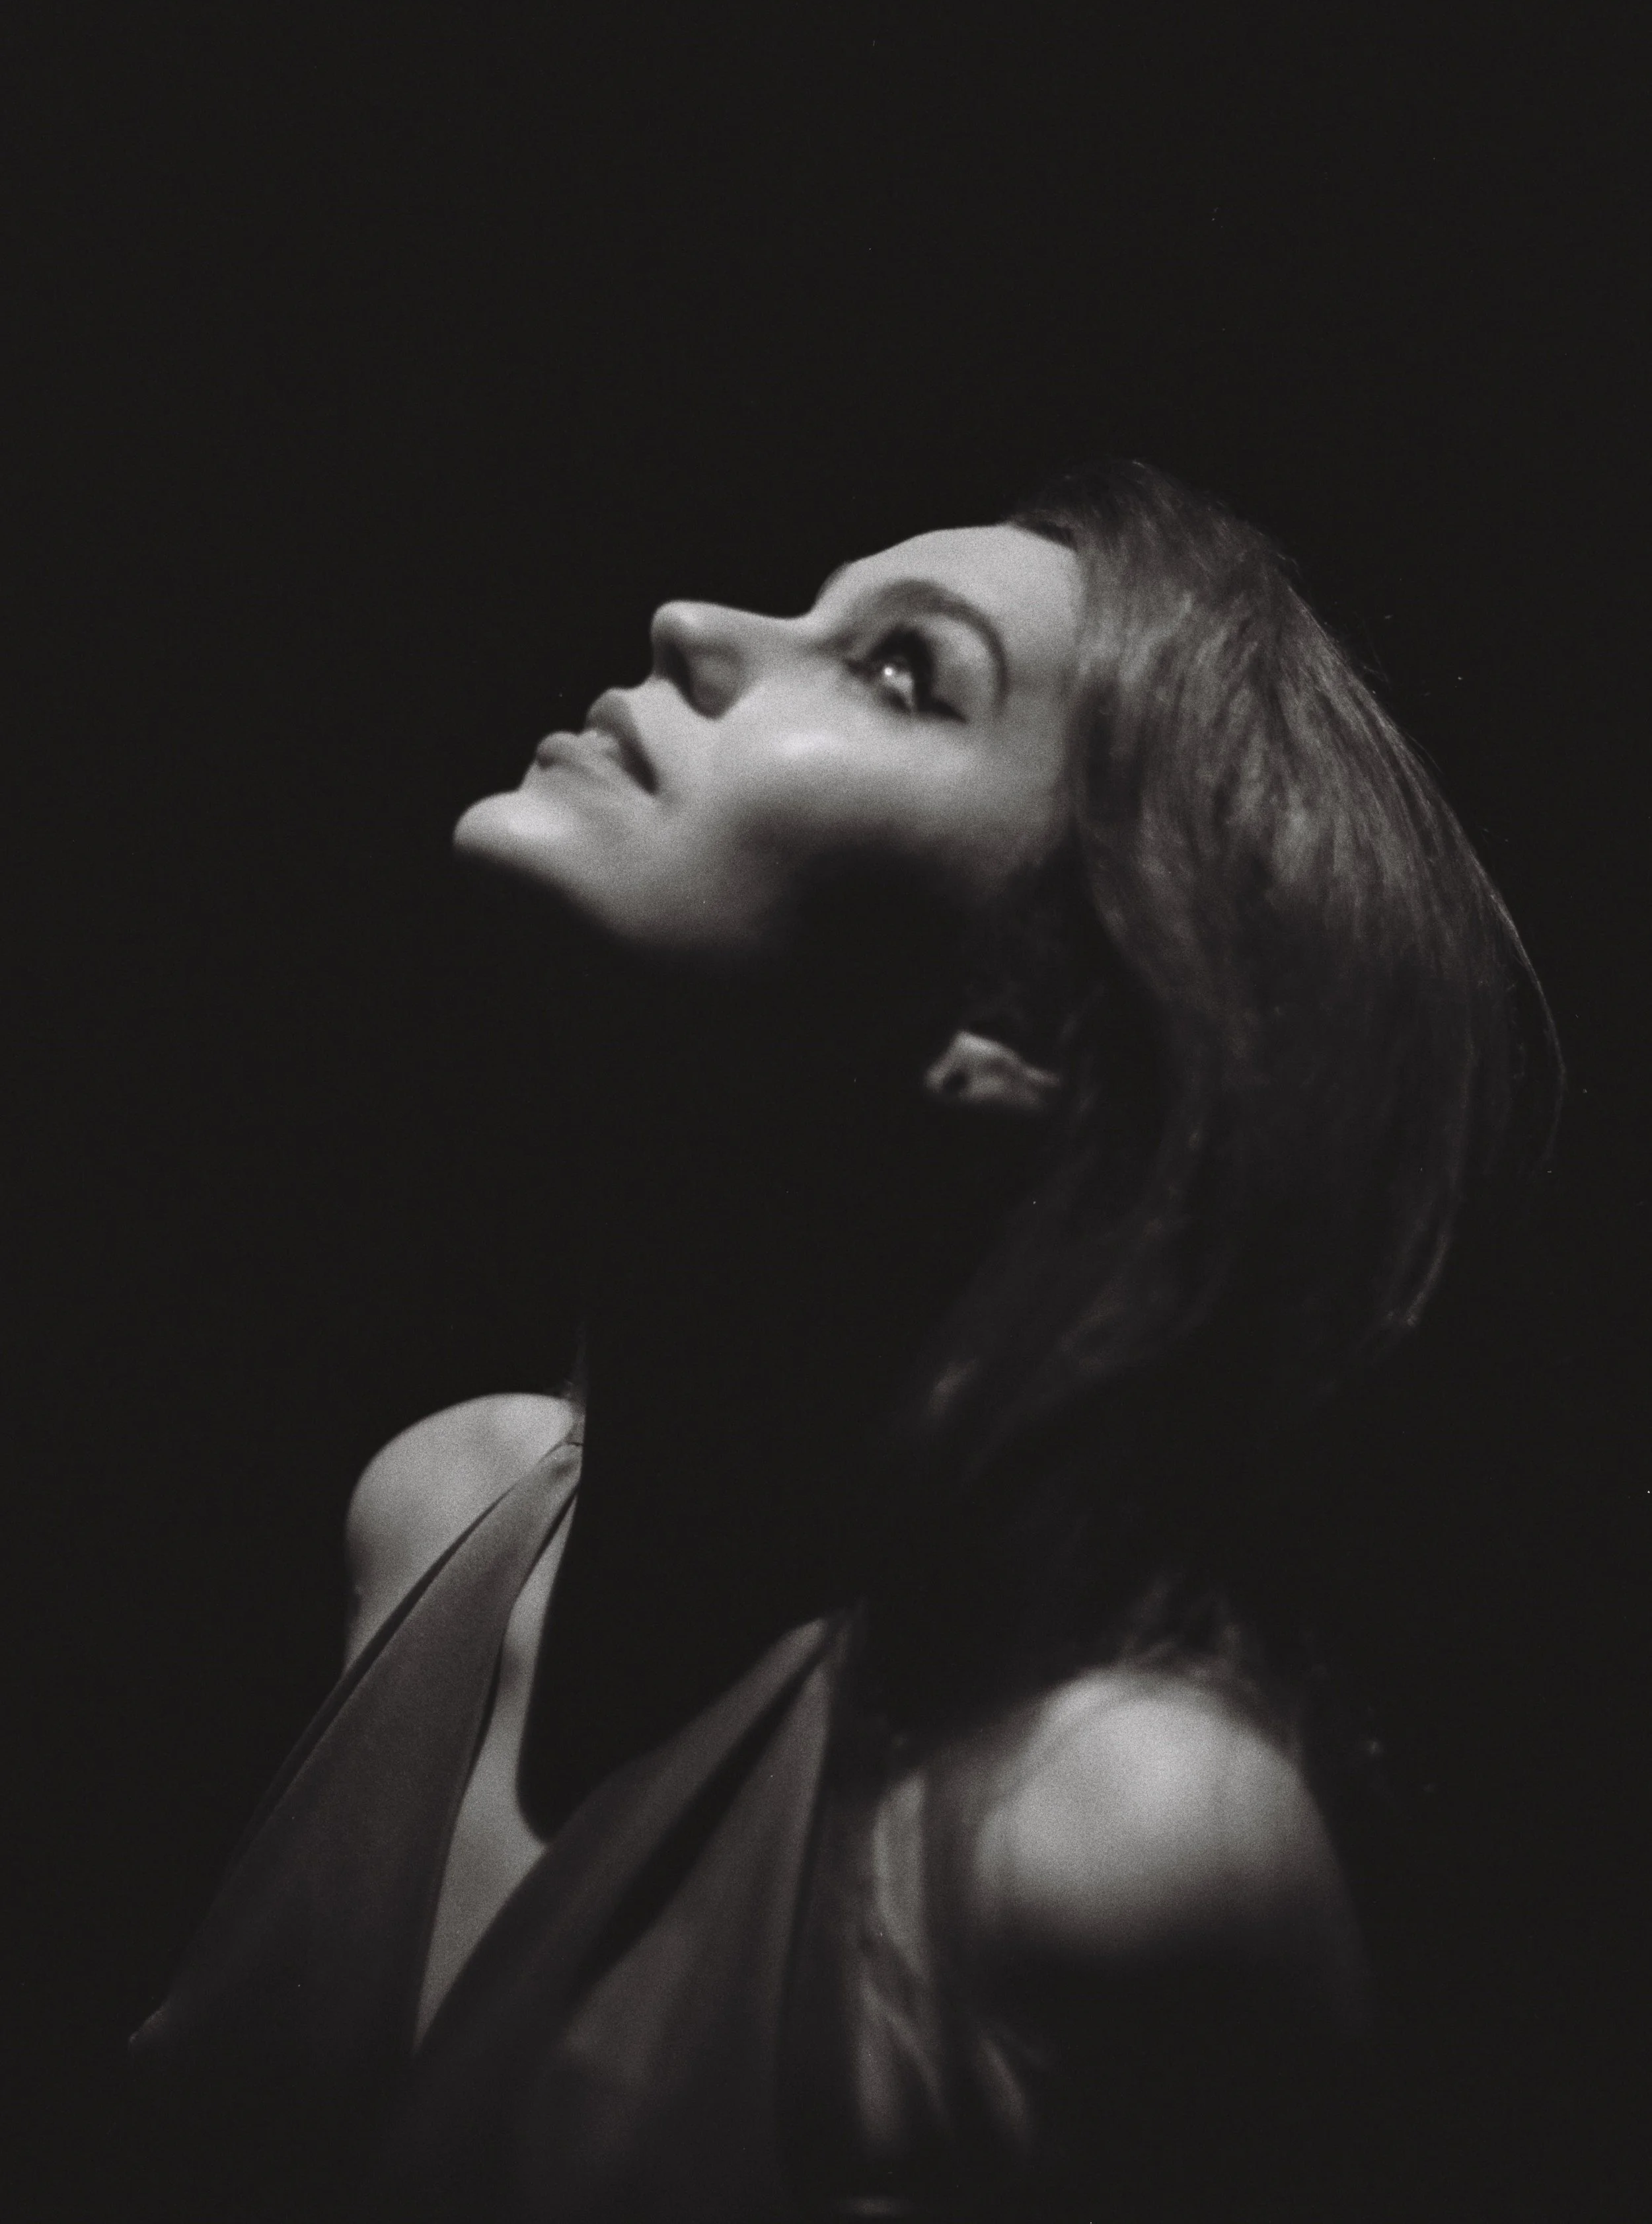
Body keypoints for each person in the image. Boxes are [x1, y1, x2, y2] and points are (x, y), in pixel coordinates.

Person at [131, 461, 1556, 2221]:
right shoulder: (431, 1509)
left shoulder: (1111, 1849)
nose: (691, 625)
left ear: (1034, 1020)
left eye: (900, 671)